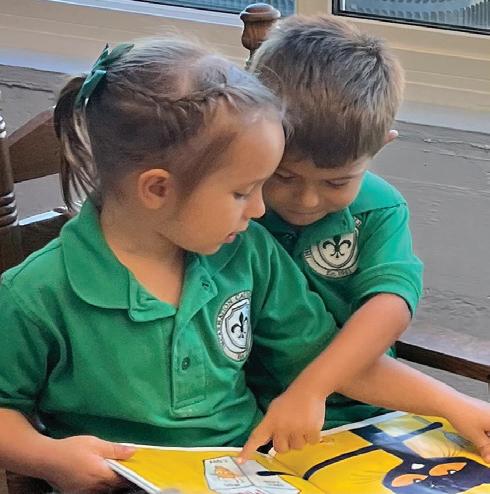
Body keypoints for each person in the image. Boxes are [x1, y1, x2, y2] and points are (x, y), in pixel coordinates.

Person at [0, 38, 339, 492]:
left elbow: (326, 356)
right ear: (158, 189)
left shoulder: (247, 253)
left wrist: (441, 404)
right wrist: (48, 458)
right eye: (242, 192)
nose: (260, 210)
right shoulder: (36, 293)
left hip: (250, 473)